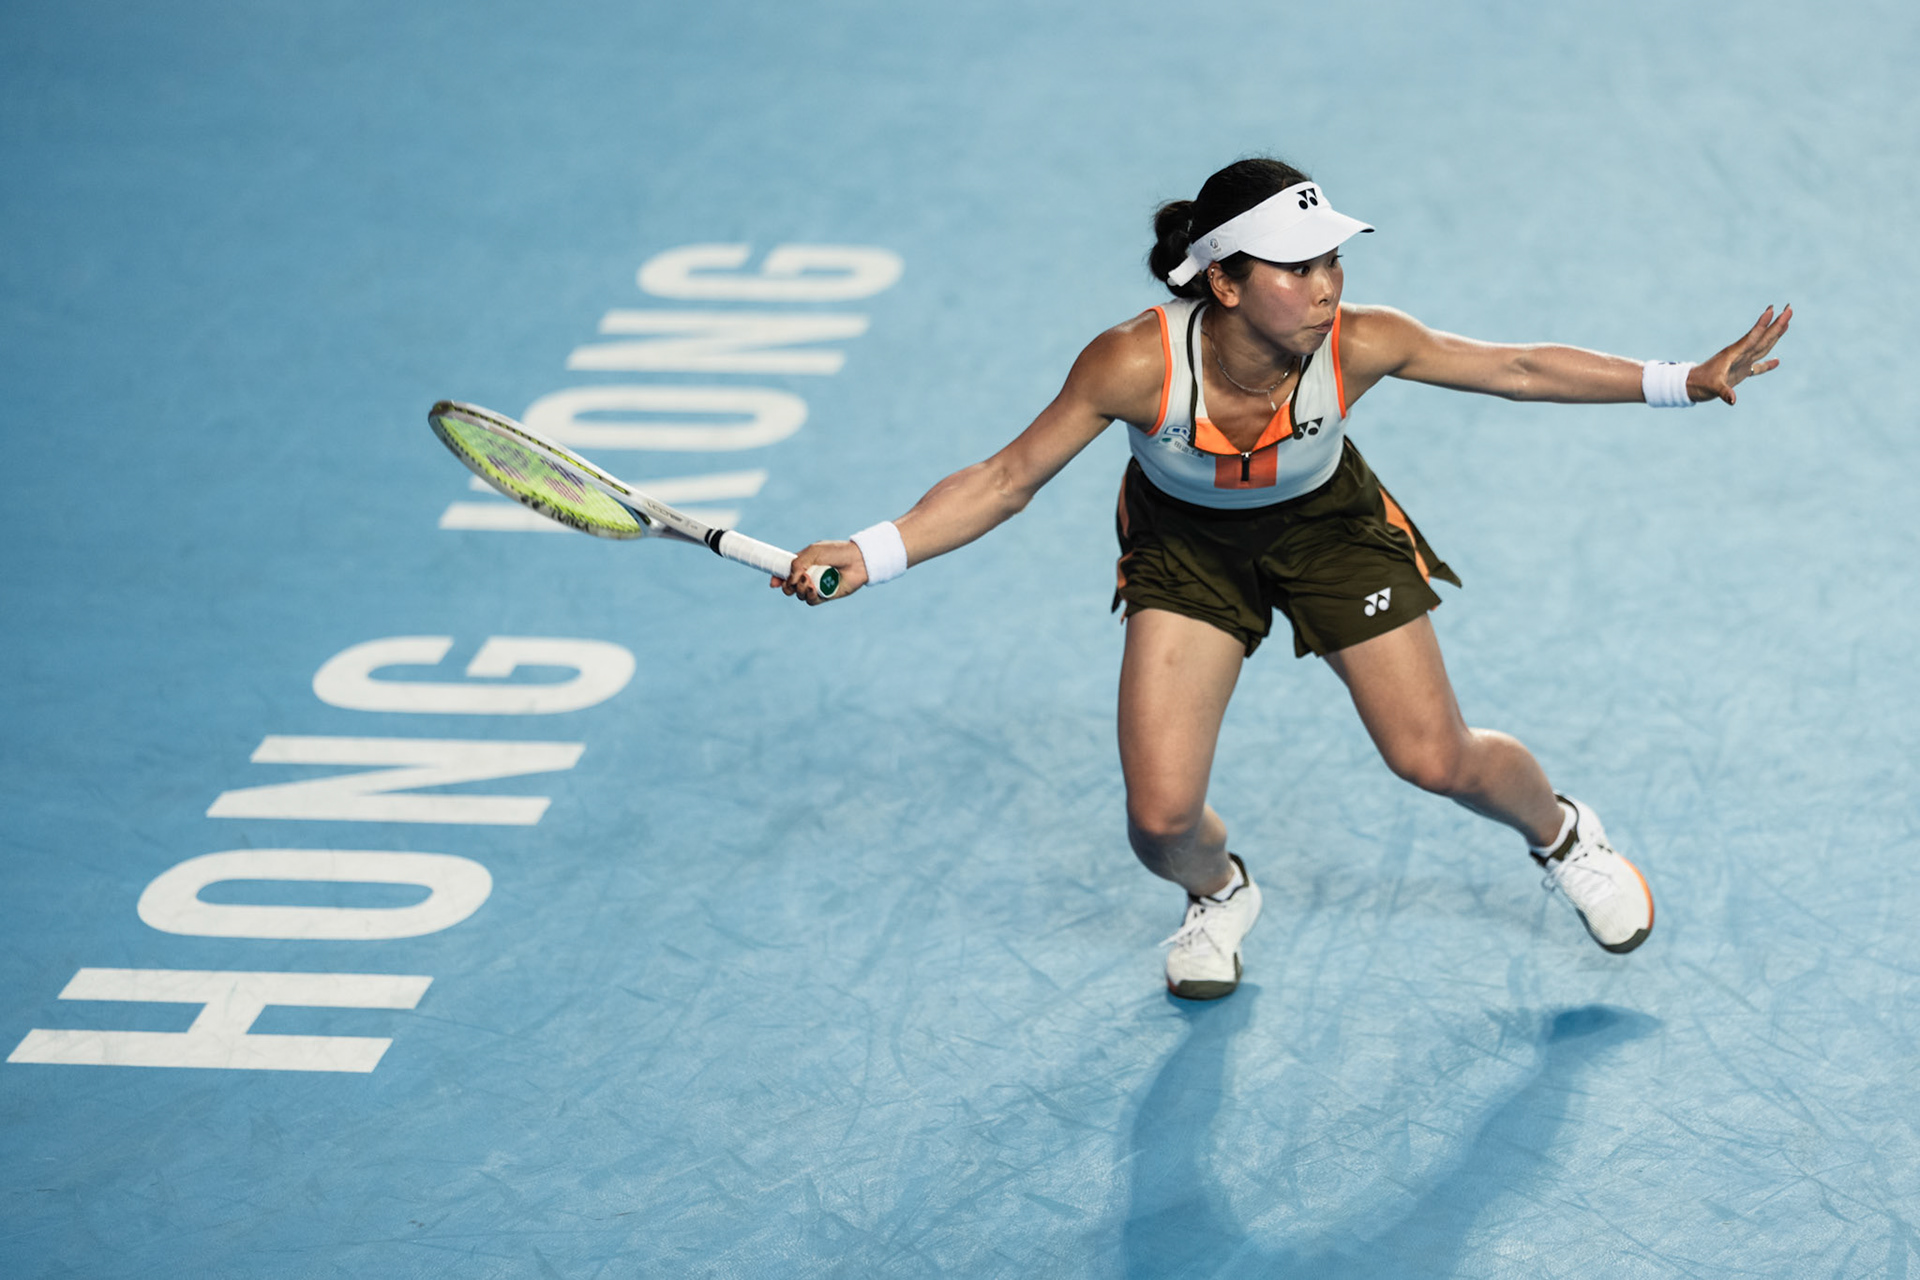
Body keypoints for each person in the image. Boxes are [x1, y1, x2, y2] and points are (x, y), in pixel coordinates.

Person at [777, 157, 1790, 1000]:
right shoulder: (1134, 364)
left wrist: (1681, 380)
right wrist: (874, 548)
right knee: (1162, 821)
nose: (1326, 289)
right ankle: (1220, 894)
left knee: (1433, 756)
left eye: (1332, 263)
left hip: (1329, 530)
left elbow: (1515, 366)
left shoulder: (1360, 343)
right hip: (1186, 549)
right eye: (1296, 270)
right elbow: (1006, 478)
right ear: (1222, 282)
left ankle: (1564, 834)